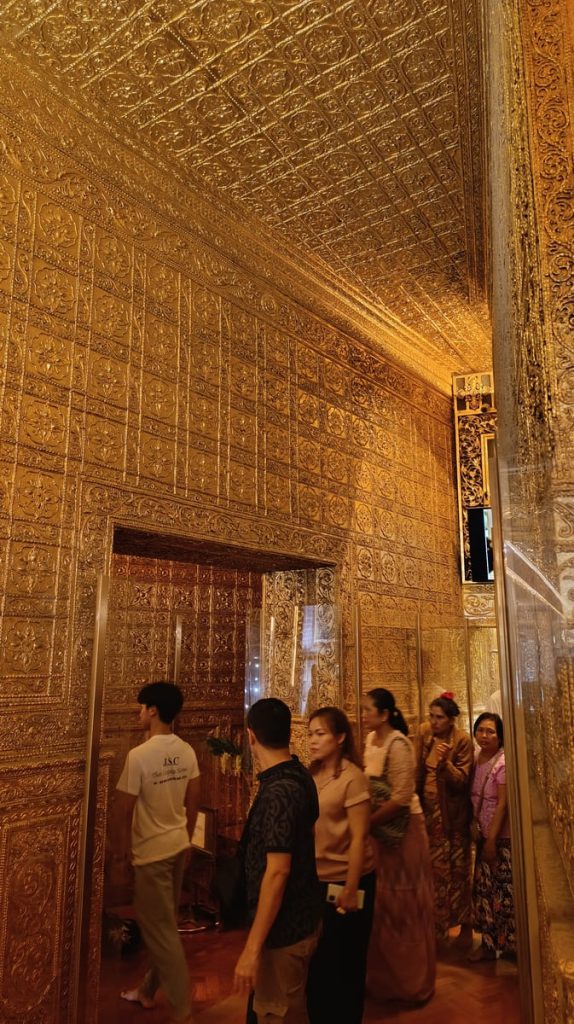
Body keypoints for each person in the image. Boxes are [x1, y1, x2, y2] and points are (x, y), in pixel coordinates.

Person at [111, 681, 200, 1024]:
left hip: (151, 857)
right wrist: (189, 839)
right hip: (178, 847)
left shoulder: (139, 756)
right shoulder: (186, 751)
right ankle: (147, 990)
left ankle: (183, 1011)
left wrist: (120, 858)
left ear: (152, 711)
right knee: (165, 927)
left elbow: (123, 810)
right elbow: (193, 800)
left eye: (141, 707)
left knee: (161, 934)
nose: (138, 712)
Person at [234, 698, 322, 1024]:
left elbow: (278, 872)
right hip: (302, 914)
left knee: (278, 1012)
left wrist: (252, 948)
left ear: (251, 736)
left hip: (284, 929)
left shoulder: (279, 792)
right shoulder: (299, 774)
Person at [363, 688, 435, 1005]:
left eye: (367, 710)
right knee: (383, 903)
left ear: (384, 714)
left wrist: (367, 823)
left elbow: (402, 796)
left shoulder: (398, 745)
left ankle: (411, 983)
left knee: (405, 902)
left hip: (403, 833)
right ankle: (383, 980)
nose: (363, 715)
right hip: (381, 830)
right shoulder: (370, 741)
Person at [306, 707, 376, 1024]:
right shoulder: (311, 775)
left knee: (346, 959)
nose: (312, 740)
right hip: (317, 878)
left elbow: (359, 838)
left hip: (348, 879)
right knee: (320, 960)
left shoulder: (353, 778)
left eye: (320, 734)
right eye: (310, 734)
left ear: (340, 737)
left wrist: (350, 887)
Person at [415, 692, 473, 943]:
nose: (434, 721)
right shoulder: (425, 735)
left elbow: (462, 780)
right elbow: (418, 771)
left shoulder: (461, 740)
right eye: (431, 716)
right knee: (434, 872)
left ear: (451, 720)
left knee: (458, 872)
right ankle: (437, 926)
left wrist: (443, 763)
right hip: (429, 817)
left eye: (439, 717)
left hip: (452, 818)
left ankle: (465, 926)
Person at [469, 712, 516, 960]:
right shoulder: (476, 758)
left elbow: (502, 805)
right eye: (481, 730)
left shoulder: (503, 762)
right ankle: (488, 944)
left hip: (500, 838)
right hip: (482, 834)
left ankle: (508, 946)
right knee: (484, 893)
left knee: (502, 893)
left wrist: (491, 840)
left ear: (500, 736)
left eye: (491, 732)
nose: (484, 736)